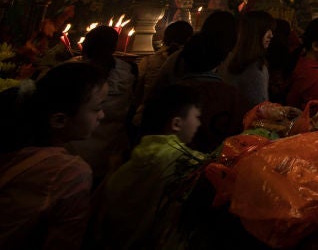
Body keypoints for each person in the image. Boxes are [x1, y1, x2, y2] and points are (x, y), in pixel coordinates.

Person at [0, 62, 107, 249]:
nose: (102, 115)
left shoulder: (16, 143)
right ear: (59, 120)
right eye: (96, 108)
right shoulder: (69, 173)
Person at [95, 83, 206, 249]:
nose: (199, 124)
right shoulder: (176, 156)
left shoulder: (134, 157)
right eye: (197, 117)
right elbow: (213, 166)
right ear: (176, 124)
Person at [68, 25, 138, 182]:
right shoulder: (128, 72)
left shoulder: (69, 72)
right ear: (114, 47)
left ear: (85, 46)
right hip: (107, 154)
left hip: (73, 150)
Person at [178, 32, 245, 152]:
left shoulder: (171, 92)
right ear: (221, 61)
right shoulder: (230, 94)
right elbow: (237, 135)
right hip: (217, 162)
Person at [221, 10, 275, 108]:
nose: (271, 35)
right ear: (255, 32)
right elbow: (259, 109)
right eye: (267, 29)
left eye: (271, 30)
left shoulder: (230, 59)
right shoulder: (254, 68)